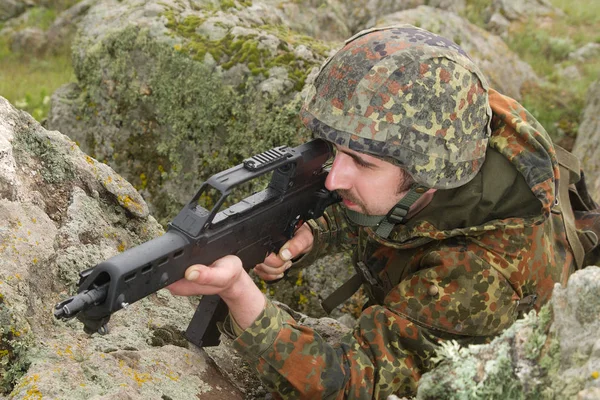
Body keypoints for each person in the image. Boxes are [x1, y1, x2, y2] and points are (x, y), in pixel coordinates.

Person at [168, 25, 598, 398]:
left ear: (428, 175)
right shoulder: (442, 123)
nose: (334, 179)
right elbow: (381, 205)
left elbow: (354, 382)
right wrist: (317, 231)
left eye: (362, 163)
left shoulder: (474, 279)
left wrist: (242, 298)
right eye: (334, 153)